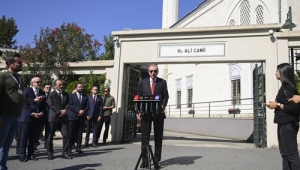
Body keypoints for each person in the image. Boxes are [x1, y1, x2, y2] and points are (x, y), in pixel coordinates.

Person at [0, 53, 42, 170]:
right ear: (10, 64)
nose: (21, 64)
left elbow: (20, 97)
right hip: (5, 116)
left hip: (17, 116)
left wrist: (33, 100)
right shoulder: (3, 76)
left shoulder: (19, 78)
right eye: (19, 62)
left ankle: (2, 167)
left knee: (6, 145)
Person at [266, 63, 300, 169]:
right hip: (282, 123)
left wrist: (278, 105)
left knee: (292, 156)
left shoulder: (289, 88)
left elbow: (295, 109)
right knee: (285, 155)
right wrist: (275, 106)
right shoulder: (284, 87)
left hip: (288, 124)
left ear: (283, 72)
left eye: (277, 70)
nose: (275, 73)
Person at [136, 64, 169, 169]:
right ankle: (145, 161)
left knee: (158, 137)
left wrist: (163, 106)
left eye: (155, 71)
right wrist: (138, 110)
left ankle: (156, 160)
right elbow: (138, 96)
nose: (153, 73)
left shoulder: (162, 82)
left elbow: (165, 96)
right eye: (151, 71)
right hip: (146, 113)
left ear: (157, 71)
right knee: (144, 137)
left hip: (158, 113)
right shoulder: (143, 82)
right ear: (148, 72)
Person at [19, 77, 46, 162]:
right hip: (27, 117)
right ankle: (22, 155)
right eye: (38, 82)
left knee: (33, 138)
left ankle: (31, 154)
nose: (39, 83)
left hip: (37, 118)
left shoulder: (42, 92)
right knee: (24, 137)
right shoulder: (26, 91)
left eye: (40, 82)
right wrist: (32, 113)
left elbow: (44, 105)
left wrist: (41, 113)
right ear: (32, 83)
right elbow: (25, 105)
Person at [47, 79, 71, 160]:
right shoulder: (51, 94)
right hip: (53, 117)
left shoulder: (66, 94)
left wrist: (65, 110)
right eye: (59, 85)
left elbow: (68, 103)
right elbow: (50, 104)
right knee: (50, 136)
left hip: (63, 117)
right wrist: (59, 111)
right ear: (55, 85)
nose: (61, 86)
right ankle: (50, 153)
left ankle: (64, 153)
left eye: (62, 84)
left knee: (66, 134)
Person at [67, 83, 89, 153]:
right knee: (71, 133)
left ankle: (78, 147)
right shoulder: (71, 96)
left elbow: (88, 106)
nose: (81, 88)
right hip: (73, 117)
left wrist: (83, 111)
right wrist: (78, 111)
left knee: (80, 133)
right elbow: (70, 105)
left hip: (82, 117)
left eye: (82, 87)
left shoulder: (85, 97)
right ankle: (69, 147)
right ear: (76, 88)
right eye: (79, 87)